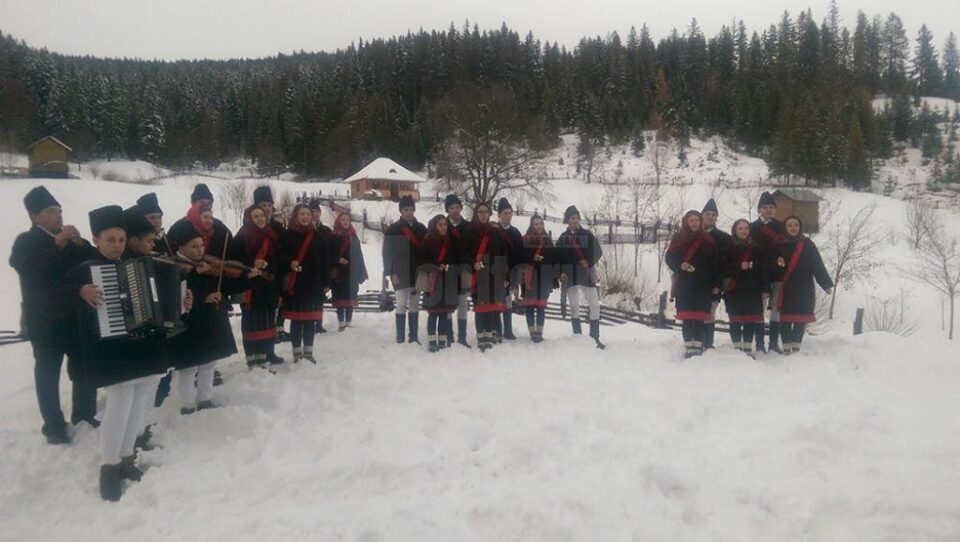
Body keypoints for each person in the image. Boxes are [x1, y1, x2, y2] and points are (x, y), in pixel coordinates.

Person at [58, 205, 187, 501]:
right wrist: (80, 292)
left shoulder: (141, 263)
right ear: (96, 239)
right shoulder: (85, 269)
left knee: (139, 399)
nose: (116, 245)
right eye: (110, 239)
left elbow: (165, 296)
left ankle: (127, 458)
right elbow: (52, 296)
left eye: (120, 239)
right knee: (119, 404)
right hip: (111, 350)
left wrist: (181, 300)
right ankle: (109, 467)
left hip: (143, 346)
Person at [9, 186, 98, 444]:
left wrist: (81, 244)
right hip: (44, 321)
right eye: (51, 212)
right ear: (35, 217)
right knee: (47, 373)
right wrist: (55, 244)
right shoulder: (26, 241)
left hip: (75, 317)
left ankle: (85, 415)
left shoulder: (68, 240)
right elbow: (28, 268)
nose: (58, 216)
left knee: (83, 365)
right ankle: (54, 426)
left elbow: (91, 263)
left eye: (59, 211)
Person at [168, 220, 257, 412]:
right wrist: (203, 298)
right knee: (188, 367)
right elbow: (177, 296)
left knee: (208, 362)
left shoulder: (207, 265)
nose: (200, 250)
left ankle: (205, 399)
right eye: (194, 246)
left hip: (209, 320)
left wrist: (246, 278)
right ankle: (187, 404)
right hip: (189, 324)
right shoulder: (174, 267)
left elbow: (226, 285)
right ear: (181, 247)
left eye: (201, 245)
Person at [768, 217, 834, 355]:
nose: (793, 227)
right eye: (790, 225)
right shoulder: (777, 245)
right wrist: (776, 264)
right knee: (785, 320)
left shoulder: (808, 244)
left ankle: (796, 349)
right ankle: (787, 349)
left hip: (804, 287)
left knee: (800, 319)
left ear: (800, 227)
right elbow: (770, 268)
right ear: (785, 227)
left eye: (796, 225)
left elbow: (817, 265)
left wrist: (825, 284)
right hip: (785, 288)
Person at [231, 205, 283, 368]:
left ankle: (267, 354)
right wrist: (252, 262)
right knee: (252, 322)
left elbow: (278, 260)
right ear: (248, 218)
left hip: (268, 285)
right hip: (250, 286)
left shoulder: (271, 235)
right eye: (256, 216)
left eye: (262, 215)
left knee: (268, 321)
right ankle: (253, 359)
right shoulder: (242, 236)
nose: (260, 219)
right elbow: (234, 261)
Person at [666, 210, 721, 358]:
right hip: (685, 285)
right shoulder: (679, 238)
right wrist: (680, 265)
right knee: (687, 318)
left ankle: (697, 345)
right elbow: (669, 258)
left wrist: (716, 284)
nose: (694, 223)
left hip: (703, 285)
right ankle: (689, 346)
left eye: (697, 220)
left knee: (699, 318)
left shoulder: (708, 241)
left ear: (700, 222)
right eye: (691, 221)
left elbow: (715, 264)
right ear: (686, 222)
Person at [279, 203, 329, 363]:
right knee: (296, 320)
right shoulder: (286, 236)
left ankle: (308, 352)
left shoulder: (319, 237)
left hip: (313, 285)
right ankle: (296, 353)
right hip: (296, 285)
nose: (305, 217)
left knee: (310, 320)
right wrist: (289, 262)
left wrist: (326, 282)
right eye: (302, 214)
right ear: (295, 216)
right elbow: (279, 256)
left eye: (308, 214)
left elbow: (325, 261)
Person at [556, 206, 604, 349]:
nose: (575, 220)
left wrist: (588, 261)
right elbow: (557, 257)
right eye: (572, 218)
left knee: (594, 305)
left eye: (577, 217)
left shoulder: (587, 235)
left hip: (586, 273)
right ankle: (577, 337)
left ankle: (595, 337)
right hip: (570, 275)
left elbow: (598, 251)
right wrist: (560, 272)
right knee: (574, 306)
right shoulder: (563, 238)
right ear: (568, 220)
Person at [463, 202, 509, 352]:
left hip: (494, 275)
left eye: (486, 212)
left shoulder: (495, 233)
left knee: (492, 306)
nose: (483, 214)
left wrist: (504, 275)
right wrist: (472, 263)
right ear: (476, 213)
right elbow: (463, 253)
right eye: (480, 212)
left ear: (489, 214)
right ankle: (482, 336)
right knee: (480, 306)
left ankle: (492, 334)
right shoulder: (469, 232)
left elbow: (502, 255)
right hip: (477, 274)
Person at [383, 195, 427, 344]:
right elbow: (387, 252)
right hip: (399, 272)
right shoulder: (393, 229)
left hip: (416, 272)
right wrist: (391, 272)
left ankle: (413, 337)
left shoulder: (421, 229)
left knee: (414, 303)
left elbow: (426, 252)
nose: (408, 212)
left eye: (411, 209)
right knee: (401, 303)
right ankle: (400, 337)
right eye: (405, 209)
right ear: (401, 211)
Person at [723, 219, 769, 355]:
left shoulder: (757, 248)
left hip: (752, 290)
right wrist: (738, 266)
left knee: (750, 320)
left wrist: (765, 289)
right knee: (735, 320)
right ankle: (737, 349)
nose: (744, 231)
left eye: (746, 228)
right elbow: (722, 268)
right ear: (734, 231)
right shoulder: (727, 248)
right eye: (740, 228)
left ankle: (747, 349)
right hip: (734, 289)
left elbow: (763, 271)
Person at [416, 215, 460, 352]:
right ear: (435, 226)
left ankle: (441, 340)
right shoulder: (427, 242)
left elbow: (454, 261)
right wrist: (436, 266)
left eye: (445, 225)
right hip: (433, 283)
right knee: (433, 313)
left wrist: (449, 269)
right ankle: (431, 341)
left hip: (446, 283)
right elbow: (420, 262)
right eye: (440, 225)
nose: (443, 228)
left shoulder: (449, 243)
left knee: (443, 313)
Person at [750, 191, 787, 353]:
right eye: (765, 207)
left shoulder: (782, 227)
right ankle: (759, 344)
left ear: (775, 209)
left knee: (776, 310)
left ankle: (773, 344)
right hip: (757, 274)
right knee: (758, 310)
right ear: (759, 210)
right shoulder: (751, 228)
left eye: (771, 207)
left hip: (778, 274)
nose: (768, 210)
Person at [254, 185, 290, 343]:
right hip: (256, 277)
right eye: (263, 205)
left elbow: (285, 251)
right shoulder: (249, 227)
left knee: (276, 305)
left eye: (269, 205)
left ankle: (275, 333)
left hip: (276, 274)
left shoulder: (278, 228)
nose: (267, 209)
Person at [517, 215, 558, 343]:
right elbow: (519, 257)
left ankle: (539, 332)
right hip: (529, 276)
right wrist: (532, 258)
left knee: (541, 306)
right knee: (530, 305)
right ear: (531, 225)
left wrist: (554, 278)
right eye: (536, 224)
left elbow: (553, 260)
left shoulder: (547, 241)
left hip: (544, 277)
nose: (539, 226)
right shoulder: (525, 240)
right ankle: (532, 332)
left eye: (541, 223)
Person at [700, 198, 733, 349]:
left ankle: (708, 343)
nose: (710, 216)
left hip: (715, 280)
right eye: (708, 213)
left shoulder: (724, 238)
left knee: (710, 309)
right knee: (698, 309)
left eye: (713, 214)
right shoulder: (693, 235)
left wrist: (721, 281)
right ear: (702, 215)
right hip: (697, 280)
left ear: (716, 217)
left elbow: (728, 261)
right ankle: (697, 340)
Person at [329, 212, 368, 331]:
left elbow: (359, 255)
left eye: (347, 220)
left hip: (351, 272)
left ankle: (348, 323)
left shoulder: (354, 237)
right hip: (339, 273)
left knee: (350, 299)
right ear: (338, 221)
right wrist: (337, 259)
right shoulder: (332, 236)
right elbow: (327, 254)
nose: (345, 222)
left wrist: (362, 272)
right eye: (343, 220)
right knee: (340, 299)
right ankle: (341, 324)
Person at [444, 194, 472, 347]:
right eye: (451, 208)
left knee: (462, 303)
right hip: (447, 270)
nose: (455, 210)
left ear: (461, 208)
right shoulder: (442, 225)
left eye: (457, 207)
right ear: (447, 210)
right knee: (449, 303)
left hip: (464, 269)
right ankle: (449, 336)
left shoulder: (468, 227)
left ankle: (462, 337)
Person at [495, 198, 523, 341]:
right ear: (499, 215)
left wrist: (514, 278)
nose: (508, 216)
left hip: (510, 272)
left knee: (507, 302)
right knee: (495, 302)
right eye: (505, 213)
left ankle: (508, 330)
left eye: (510, 213)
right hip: (495, 272)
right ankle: (497, 330)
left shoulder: (516, 233)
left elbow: (519, 256)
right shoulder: (493, 231)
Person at [309, 198, 333, 334]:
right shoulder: (304, 229)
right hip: (308, 268)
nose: (316, 214)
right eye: (313, 211)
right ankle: (309, 323)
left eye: (318, 211)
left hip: (322, 267)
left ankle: (318, 323)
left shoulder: (325, 230)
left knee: (319, 298)